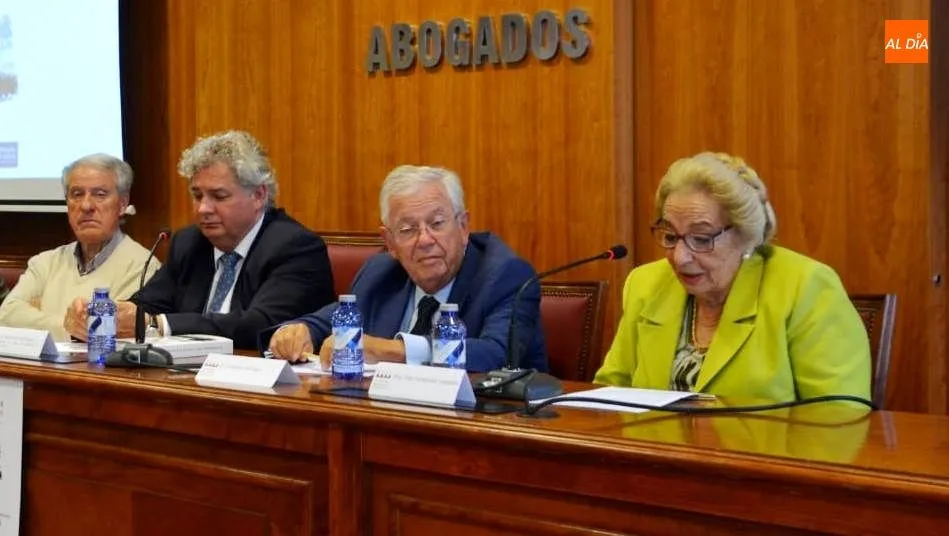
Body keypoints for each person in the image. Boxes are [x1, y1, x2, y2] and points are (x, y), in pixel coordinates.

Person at [594, 152, 871, 401]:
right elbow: (608, 392)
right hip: (653, 455)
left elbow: (839, 417)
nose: (680, 257)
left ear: (746, 236)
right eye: (670, 236)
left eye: (701, 239)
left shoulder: (805, 287)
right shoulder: (646, 284)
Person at [264, 165, 547, 373]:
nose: (424, 240)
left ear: (463, 227)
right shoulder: (380, 272)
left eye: (437, 224)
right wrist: (301, 329)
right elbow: (333, 319)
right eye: (408, 229)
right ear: (390, 242)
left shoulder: (506, 275)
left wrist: (396, 351)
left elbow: (496, 354)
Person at [128, 130, 335, 349]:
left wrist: (160, 324)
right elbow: (147, 304)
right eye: (197, 196)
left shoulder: (294, 247)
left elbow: (261, 325)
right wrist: (119, 312)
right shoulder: (189, 242)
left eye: (219, 196)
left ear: (258, 196)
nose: (203, 209)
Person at [0, 154, 159, 341]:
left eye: (100, 194)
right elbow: (6, 315)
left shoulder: (143, 266)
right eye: (77, 194)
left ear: (122, 204)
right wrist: (71, 326)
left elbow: (107, 330)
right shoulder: (45, 262)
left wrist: (36, 316)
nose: (86, 205)